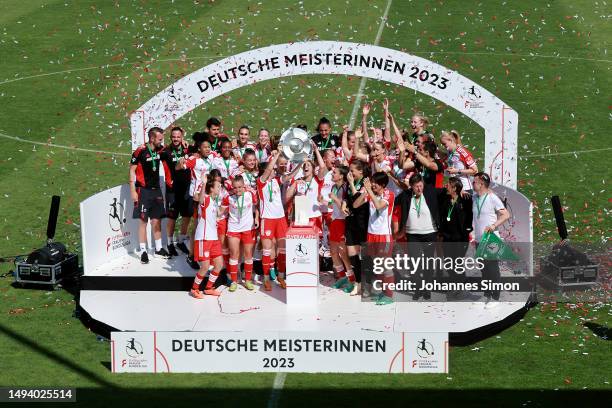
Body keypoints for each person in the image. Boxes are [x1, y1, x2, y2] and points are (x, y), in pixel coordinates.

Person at [257, 151, 303, 291]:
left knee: (283, 250)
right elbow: (270, 168)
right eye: (271, 170)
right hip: (268, 220)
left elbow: (290, 176)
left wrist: (300, 163)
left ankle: (281, 277)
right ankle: (266, 279)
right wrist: (276, 154)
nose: (274, 171)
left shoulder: (276, 181)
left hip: (280, 219)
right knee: (267, 250)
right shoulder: (261, 182)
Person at [395, 174, 441, 300]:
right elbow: (391, 202)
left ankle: (426, 289)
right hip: (413, 234)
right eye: (416, 187)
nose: (420, 189)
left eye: (421, 186)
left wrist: (462, 190)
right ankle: (417, 288)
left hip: (430, 233)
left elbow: (447, 191)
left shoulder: (430, 191)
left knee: (428, 263)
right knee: (414, 264)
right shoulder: (405, 195)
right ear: (411, 187)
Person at [129, 127, 171, 264]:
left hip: (157, 190)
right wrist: (132, 190)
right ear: (152, 138)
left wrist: (184, 142)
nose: (161, 141)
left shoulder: (160, 150)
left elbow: (173, 150)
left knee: (156, 220)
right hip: (143, 190)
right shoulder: (140, 150)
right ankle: (143, 251)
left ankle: (158, 249)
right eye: (160, 139)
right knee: (143, 221)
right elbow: (132, 170)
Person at [352, 172, 395, 305]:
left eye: (375, 182)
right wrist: (365, 192)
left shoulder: (389, 194)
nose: (372, 184)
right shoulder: (371, 194)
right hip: (371, 234)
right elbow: (355, 205)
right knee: (378, 266)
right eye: (371, 182)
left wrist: (369, 190)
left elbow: (379, 205)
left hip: (384, 235)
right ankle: (383, 291)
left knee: (385, 266)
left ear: (382, 184)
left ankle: (389, 295)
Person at [472, 172, 510, 303]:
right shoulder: (474, 197)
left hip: (491, 238)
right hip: (479, 238)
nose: (472, 183)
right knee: (484, 269)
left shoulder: (492, 198)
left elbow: (506, 215)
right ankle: (487, 294)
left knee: (492, 269)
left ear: (481, 184)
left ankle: (495, 296)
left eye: (474, 182)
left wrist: (494, 226)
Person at [190, 176, 227, 298]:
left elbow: (218, 214)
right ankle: (194, 289)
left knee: (219, 264)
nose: (220, 188)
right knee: (205, 266)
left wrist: (227, 204)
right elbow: (200, 200)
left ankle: (208, 287)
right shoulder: (205, 199)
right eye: (218, 186)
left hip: (214, 238)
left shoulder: (214, 201)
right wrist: (204, 183)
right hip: (203, 238)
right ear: (211, 189)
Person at [223, 175, 259, 291]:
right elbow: (220, 211)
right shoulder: (228, 197)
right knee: (234, 254)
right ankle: (234, 281)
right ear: (232, 187)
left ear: (244, 186)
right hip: (233, 229)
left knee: (248, 255)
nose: (237, 190)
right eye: (235, 187)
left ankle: (247, 280)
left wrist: (257, 218)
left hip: (248, 228)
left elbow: (257, 206)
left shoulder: (250, 194)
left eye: (240, 187)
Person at [160, 127, 192, 257]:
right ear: (170, 137)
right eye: (174, 136)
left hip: (186, 188)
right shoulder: (166, 151)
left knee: (186, 216)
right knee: (172, 217)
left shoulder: (188, 149)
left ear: (182, 136)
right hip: (172, 190)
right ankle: (169, 243)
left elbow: (200, 148)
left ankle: (181, 241)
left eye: (178, 136)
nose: (176, 139)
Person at [438, 177, 473, 296]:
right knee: (448, 263)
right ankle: (456, 284)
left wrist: (467, 232)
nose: (446, 185)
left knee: (457, 263)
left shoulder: (465, 200)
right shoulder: (445, 198)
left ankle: (460, 286)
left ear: (454, 188)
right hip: (447, 237)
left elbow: (469, 216)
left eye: (448, 184)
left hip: (460, 238)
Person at [327, 166, 356, 292]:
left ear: (341, 176)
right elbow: (332, 205)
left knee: (343, 253)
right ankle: (341, 277)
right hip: (334, 221)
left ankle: (351, 279)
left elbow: (346, 210)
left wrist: (335, 199)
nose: (332, 174)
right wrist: (324, 202)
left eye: (334, 172)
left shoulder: (346, 188)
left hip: (344, 222)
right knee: (333, 252)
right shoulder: (334, 187)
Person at [344, 160, 370, 296]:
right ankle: (358, 283)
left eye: (352, 170)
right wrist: (344, 205)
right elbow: (348, 199)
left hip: (362, 223)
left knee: (364, 256)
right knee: (352, 254)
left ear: (361, 171)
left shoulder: (366, 183)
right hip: (350, 221)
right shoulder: (350, 183)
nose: (350, 173)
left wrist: (352, 184)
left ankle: (366, 283)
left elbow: (357, 202)